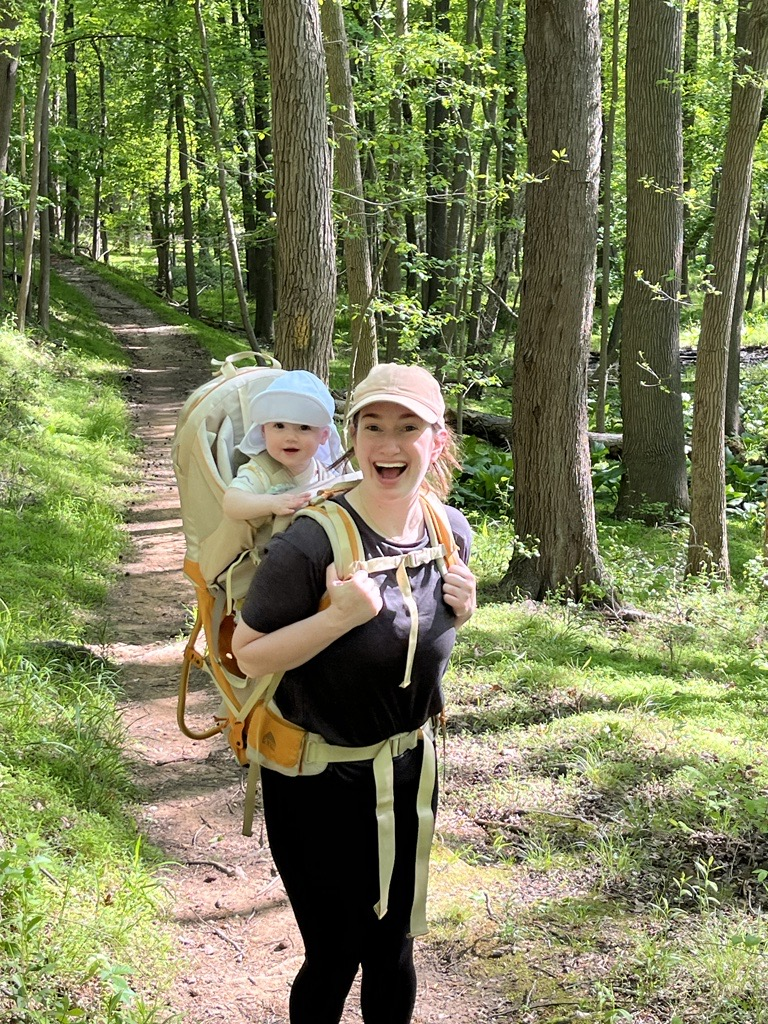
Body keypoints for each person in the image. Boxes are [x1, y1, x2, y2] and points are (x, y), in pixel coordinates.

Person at [231, 362, 477, 1024]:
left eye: (408, 428)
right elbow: (246, 653)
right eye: (373, 426)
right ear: (352, 434)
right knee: (336, 953)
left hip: (409, 773)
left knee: (394, 950)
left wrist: (465, 609)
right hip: (315, 781)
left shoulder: (447, 530)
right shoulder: (311, 541)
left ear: (438, 438)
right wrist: (336, 617)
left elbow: (415, 640)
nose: (389, 445)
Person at [222, 369, 346, 550]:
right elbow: (231, 502)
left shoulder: (322, 471)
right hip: (270, 562)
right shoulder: (259, 471)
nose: (290, 437)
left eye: (304, 427)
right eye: (279, 426)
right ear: (263, 431)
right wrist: (271, 503)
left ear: (324, 435)